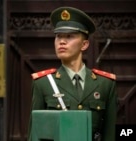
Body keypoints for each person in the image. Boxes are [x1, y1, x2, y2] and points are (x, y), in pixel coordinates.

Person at [28, 6, 117, 141]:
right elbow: (35, 134)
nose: (62, 42)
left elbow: (110, 133)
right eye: (58, 36)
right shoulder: (43, 83)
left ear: (84, 44)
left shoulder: (105, 83)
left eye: (69, 36)